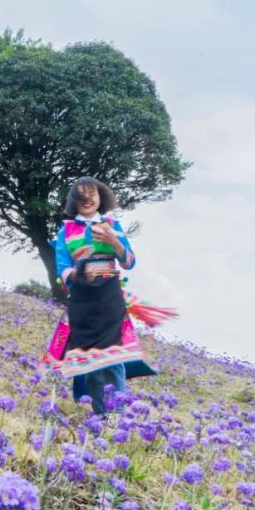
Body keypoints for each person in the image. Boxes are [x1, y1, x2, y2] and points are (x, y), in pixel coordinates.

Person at [42, 177, 162, 415]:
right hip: (82, 302)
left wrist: (114, 242)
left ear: (100, 198)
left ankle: (119, 417)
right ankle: (100, 416)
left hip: (110, 298)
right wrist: (78, 271)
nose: (87, 200)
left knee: (115, 359)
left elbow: (129, 262)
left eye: (92, 195)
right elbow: (62, 269)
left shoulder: (112, 225)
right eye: (81, 196)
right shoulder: (66, 230)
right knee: (91, 364)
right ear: (74, 201)